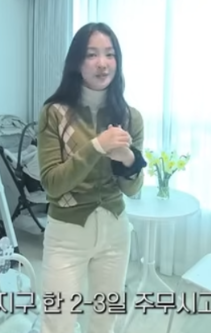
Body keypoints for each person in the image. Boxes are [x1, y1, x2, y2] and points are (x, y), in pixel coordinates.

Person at [36, 22, 147, 333]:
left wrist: (128, 160)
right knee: (57, 323)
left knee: (104, 321)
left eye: (110, 54)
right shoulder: (54, 113)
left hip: (115, 232)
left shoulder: (130, 117)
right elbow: (52, 184)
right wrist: (97, 146)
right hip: (66, 235)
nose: (102, 63)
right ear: (77, 62)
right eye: (92, 54)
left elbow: (133, 189)